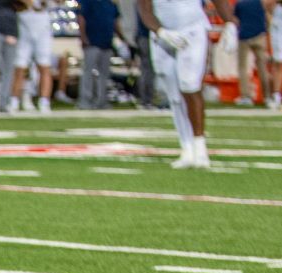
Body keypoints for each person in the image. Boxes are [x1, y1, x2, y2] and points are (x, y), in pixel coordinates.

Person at [138, 0, 237, 169]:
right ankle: (186, 147)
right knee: (174, 97)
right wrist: (161, 32)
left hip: (192, 29)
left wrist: (230, 23)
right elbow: (145, 11)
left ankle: (200, 147)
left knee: (190, 85)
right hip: (163, 35)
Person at [76, 0, 122, 110]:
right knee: (88, 72)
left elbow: (115, 21)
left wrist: (121, 37)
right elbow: (81, 18)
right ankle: (85, 101)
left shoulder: (111, 4)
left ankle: (102, 101)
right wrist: (83, 36)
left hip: (107, 42)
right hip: (92, 41)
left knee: (104, 74)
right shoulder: (89, 2)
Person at [10, 0, 52, 112]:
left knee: (44, 66)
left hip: (42, 28)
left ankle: (44, 102)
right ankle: (14, 101)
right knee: (20, 67)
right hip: (24, 28)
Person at [232, 0, 268, 105]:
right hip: (259, 35)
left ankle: (246, 96)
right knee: (262, 67)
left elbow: (236, 19)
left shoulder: (240, 4)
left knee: (243, 67)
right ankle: (267, 96)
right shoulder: (259, 3)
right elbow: (265, 18)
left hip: (244, 36)